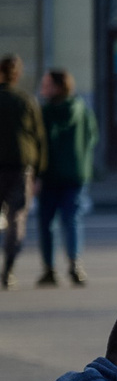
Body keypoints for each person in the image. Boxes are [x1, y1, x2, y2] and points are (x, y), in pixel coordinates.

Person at [36, 69, 97, 288]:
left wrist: (36, 174)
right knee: (72, 220)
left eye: (47, 85)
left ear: (59, 87)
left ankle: (49, 269)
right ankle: (75, 264)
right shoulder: (82, 109)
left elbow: (39, 145)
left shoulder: (45, 112)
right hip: (77, 174)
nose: (43, 89)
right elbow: (92, 136)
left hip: (49, 175)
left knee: (47, 223)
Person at [0, 55, 43, 289]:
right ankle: (8, 270)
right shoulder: (25, 100)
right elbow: (39, 137)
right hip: (20, 167)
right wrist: (39, 171)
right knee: (16, 217)